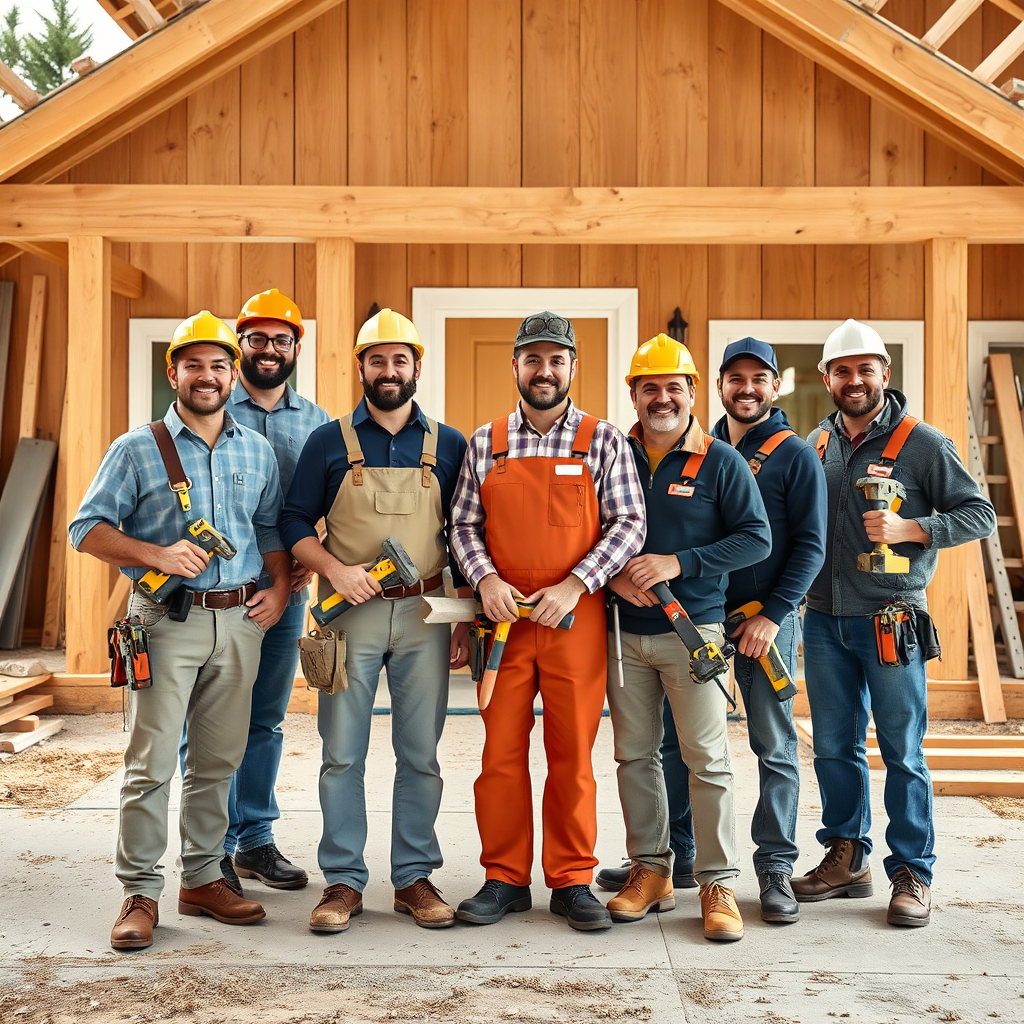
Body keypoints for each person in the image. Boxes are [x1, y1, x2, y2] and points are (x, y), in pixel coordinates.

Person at [70, 312, 291, 951]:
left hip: (241, 623)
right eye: (193, 365)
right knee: (151, 762)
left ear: (233, 375)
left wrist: (278, 588)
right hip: (164, 623)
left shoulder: (256, 447)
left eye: (218, 365)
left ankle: (201, 879)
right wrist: (157, 554)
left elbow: (271, 531)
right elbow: (87, 529)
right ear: (174, 373)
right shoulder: (136, 448)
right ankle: (139, 891)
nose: (207, 376)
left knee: (220, 760)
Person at [793, 318, 995, 927]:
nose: (854, 380)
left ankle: (912, 871)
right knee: (833, 746)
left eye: (865, 369)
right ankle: (846, 855)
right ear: (827, 378)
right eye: (842, 370)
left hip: (891, 618)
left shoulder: (922, 443)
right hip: (824, 620)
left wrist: (915, 530)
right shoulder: (817, 444)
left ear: (884, 372)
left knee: (902, 751)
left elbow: (979, 513)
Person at [450, 311, 646, 932]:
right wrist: (484, 580)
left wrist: (576, 584)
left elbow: (629, 524)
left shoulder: (604, 439)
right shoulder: (486, 443)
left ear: (572, 367)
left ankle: (572, 880)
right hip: (503, 624)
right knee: (500, 754)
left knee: (573, 757)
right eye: (533, 359)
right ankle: (504, 877)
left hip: (575, 620)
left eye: (556, 360)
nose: (545, 371)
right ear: (515, 367)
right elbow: (462, 525)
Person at [279, 308, 470, 933]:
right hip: (346, 618)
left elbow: (467, 532)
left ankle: (414, 877)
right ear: (360, 366)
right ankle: (342, 881)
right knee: (341, 753)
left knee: (421, 753)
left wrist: (464, 617)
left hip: (425, 615)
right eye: (377, 359)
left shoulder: (449, 444)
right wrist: (336, 571)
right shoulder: (328, 441)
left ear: (417, 366)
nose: (389, 371)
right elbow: (294, 525)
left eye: (400, 360)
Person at [602, 333, 771, 942]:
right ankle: (650, 870)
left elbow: (756, 539)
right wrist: (612, 577)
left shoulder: (720, 460)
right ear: (633, 394)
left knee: (707, 760)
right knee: (634, 755)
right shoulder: (612, 454)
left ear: (693, 393)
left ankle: (717, 882)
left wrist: (680, 563)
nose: (662, 398)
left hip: (694, 633)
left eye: (674, 387)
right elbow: (587, 534)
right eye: (650, 387)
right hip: (622, 634)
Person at [222, 288, 329, 891]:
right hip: (216, 592)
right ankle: (212, 843)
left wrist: (301, 571)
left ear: (295, 347)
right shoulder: (211, 405)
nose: (268, 349)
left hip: (285, 593)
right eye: (256, 338)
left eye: (280, 339)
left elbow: (320, 508)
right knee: (208, 721)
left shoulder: (317, 423)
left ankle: (254, 840)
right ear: (242, 345)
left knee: (264, 718)